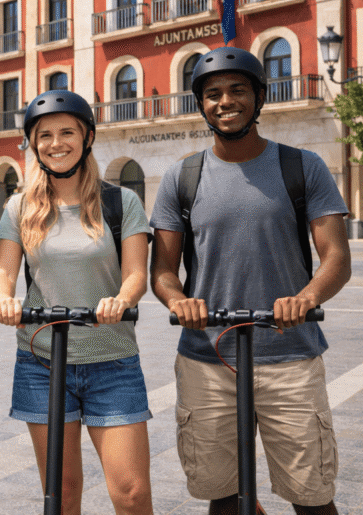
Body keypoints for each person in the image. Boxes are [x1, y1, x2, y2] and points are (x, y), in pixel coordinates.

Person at [149, 47, 351, 515]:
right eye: (213, 93)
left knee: (313, 498)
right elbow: (162, 270)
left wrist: (307, 297)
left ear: (259, 98)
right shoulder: (183, 176)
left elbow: (336, 257)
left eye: (238, 90)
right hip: (207, 359)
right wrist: (179, 301)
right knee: (224, 499)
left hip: (290, 356)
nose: (225, 101)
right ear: (201, 104)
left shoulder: (302, 167)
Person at [0, 90, 155, 515]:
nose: (55, 142)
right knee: (60, 493)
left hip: (112, 359)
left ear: (88, 137)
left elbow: (136, 272)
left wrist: (122, 298)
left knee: (132, 493)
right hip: (41, 361)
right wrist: (4, 299)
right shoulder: (19, 207)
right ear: (32, 143)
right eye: (44, 135)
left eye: (67, 132)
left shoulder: (121, 202)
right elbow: (4, 271)